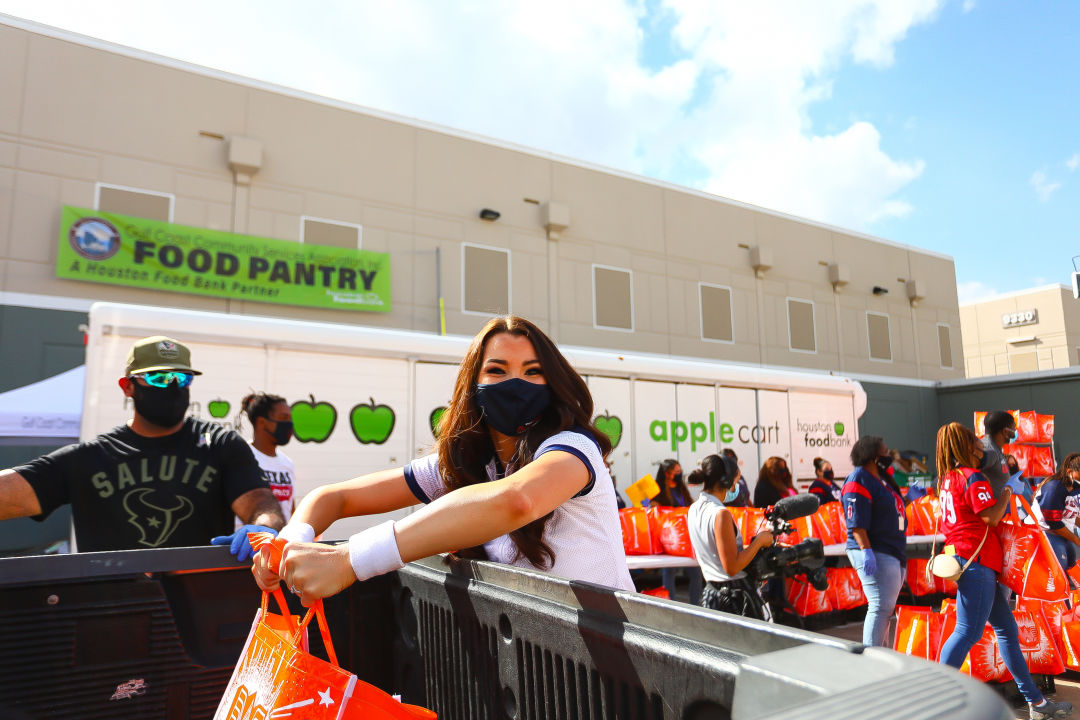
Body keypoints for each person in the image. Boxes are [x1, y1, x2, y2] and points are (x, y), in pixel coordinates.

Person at [252, 316, 634, 601]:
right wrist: (288, 544)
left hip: (609, 657)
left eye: (533, 372)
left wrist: (352, 560)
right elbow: (334, 498)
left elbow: (516, 500)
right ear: (473, 385)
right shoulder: (463, 464)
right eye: (497, 370)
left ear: (553, 384)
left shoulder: (572, 448)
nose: (515, 384)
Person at [0, 336, 284, 558]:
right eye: (158, 378)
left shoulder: (218, 445)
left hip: (198, 607)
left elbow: (261, 503)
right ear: (128, 386)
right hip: (113, 610)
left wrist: (264, 528)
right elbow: (12, 493)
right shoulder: (91, 458)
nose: (172, 386)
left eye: (181, 378)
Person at [935, 423, 1072, 720]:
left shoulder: (949, 478)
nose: (982, 447)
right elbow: (992, 517)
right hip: (978, 563)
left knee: (1006, 631)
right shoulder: (973, 478)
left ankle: (1037, 703)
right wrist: (1009, 489)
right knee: (967, 632)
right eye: (976, 443)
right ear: (967, 447)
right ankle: (932, 697)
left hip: (968, 561)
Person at [687, 454, 773, 618]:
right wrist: (760, 541)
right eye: (736, 481)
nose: (737, 487)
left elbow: (716, 552)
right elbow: (731, 567)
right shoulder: (720, 514)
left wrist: (748, 548)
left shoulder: (694, 508)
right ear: (726, 482)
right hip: (734, 599)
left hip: (712, 594)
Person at [842, 436, 906, 647]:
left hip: (890, 550)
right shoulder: (858, 478)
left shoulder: (880, 479)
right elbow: (856, 521)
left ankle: (880, 653)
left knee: (885, 609)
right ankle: (871, 658)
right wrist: (866, 550)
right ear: (873, 456)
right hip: (875, 549)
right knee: (879, 607)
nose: (888, 457)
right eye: (885, 453)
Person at [240, 392, 297, 523]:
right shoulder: (242, 457)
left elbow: (290, 509)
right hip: (248, 541)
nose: (289, 424)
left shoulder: (287, 463)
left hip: (280, 541)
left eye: (290, 419)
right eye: (283, 418)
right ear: (262, 422)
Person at [653, 458, 702, 604]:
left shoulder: (681, 488)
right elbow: (654, 511)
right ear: (667, 473)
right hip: (670, 537)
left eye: (680, 470)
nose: (679, 473)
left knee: (695, 572)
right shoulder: (658, 491)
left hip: (687, 536)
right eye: (676, 471)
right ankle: (671, 605)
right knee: (669, 572)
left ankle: (696, 606)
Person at [1035, 453, 1080, 577]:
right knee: (1056, 577)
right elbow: (1053, 522)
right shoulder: (1054, 488)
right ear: (1070, 471)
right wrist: (1077, 540)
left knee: (1071, 572)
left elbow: (1070, 514)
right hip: (1047, 535)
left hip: (1062, 534)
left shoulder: (1075, 487)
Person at [981, 410, 1018, 497]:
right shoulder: (988, 450)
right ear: (1005, 431)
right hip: (991, 508)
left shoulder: (995, 448)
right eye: (1014, 428)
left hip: (1000, 508)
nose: (1015, 431)